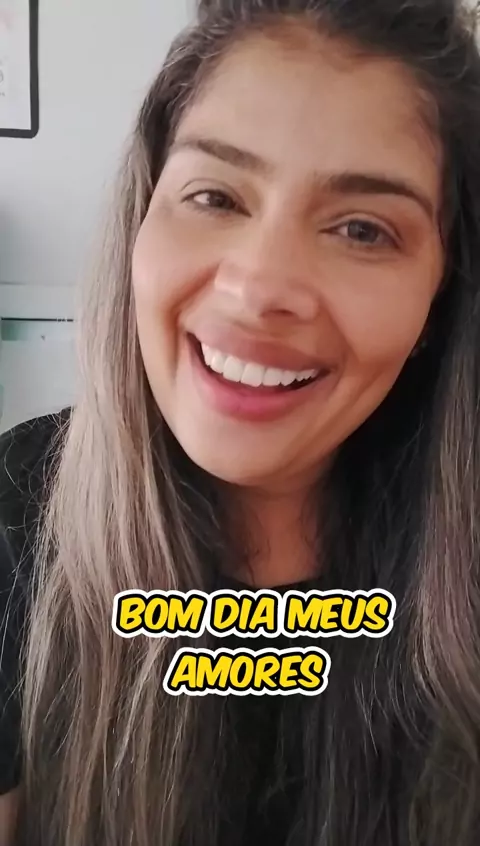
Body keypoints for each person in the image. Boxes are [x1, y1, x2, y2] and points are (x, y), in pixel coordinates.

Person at [2, 0, 480, 843]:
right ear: (144, 215)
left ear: (439, 297)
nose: (259, 288)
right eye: (215, 195)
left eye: (363, 229)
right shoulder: (14, 509)